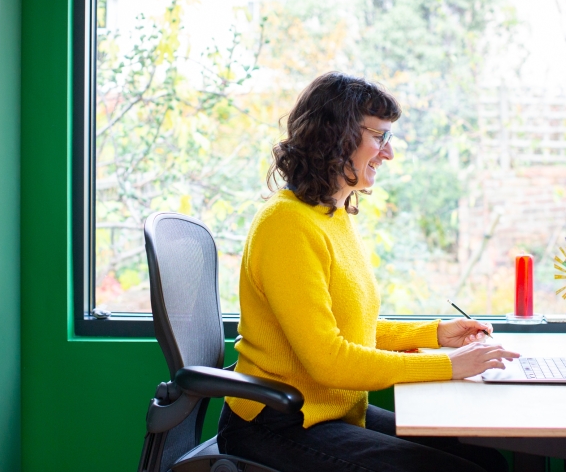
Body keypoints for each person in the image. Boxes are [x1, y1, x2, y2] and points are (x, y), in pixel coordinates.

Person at [217, 72, 520, 472]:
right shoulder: (286, 224)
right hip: (279, 423)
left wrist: (433, 334)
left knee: (487, 461)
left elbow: (348, 329)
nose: (388, 153)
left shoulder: (332, 215)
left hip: (329, 410)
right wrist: (449, 365)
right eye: (380, 137)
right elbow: (330, 360)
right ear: (334, 136)